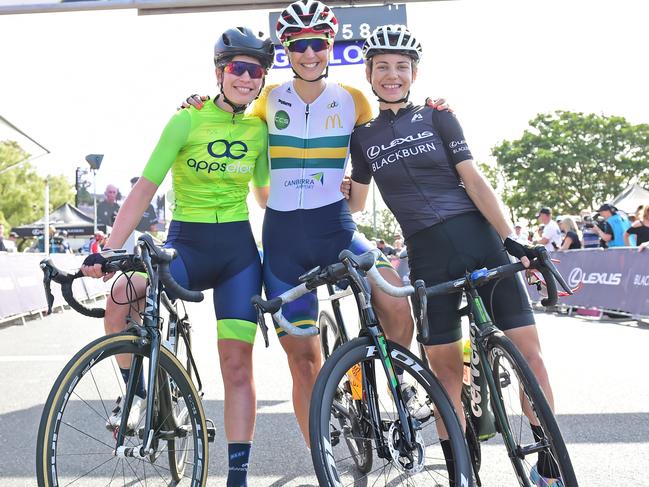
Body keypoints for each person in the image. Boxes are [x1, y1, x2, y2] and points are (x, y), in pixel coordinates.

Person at [181, 0, 454, 446]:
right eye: (299, 44)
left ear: (331, 45)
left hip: (337, 230)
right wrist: (197, 102)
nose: (310, 54)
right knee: (303, 360)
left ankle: (394, 376)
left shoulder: (354, 98)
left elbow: (395, 117)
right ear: (287, 49)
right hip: (284, 241)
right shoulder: (266, 99)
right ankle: (322, 457)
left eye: (318, 44)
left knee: (394, 302)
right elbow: (225, 113)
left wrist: (432, 106)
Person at [346, 25, 563, 486]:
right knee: (443, 371)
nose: (392, 75)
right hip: (427, 256)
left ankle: (548, 465)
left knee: (530, 354)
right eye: (382, 67)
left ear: (414, 73)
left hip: (478, 239)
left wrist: (511, 238)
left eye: (401, 67)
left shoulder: (438, 116)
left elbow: (473, 178)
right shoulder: (360, 136)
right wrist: (339, 191)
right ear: (369, 72)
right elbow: (358, 205)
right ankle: (462, 468)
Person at [81, 27, 274, 487]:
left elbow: (267, 196)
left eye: (256, 71)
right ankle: (138, 393)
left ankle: (238, 478)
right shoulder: (186, 120)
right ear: (219, 72)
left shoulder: (260, 128)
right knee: (120, 297)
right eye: (238, 68)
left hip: (238, 257)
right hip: (185, 247)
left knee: (237, 365)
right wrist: (110, 248)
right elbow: (145, 187)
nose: (247, 78)